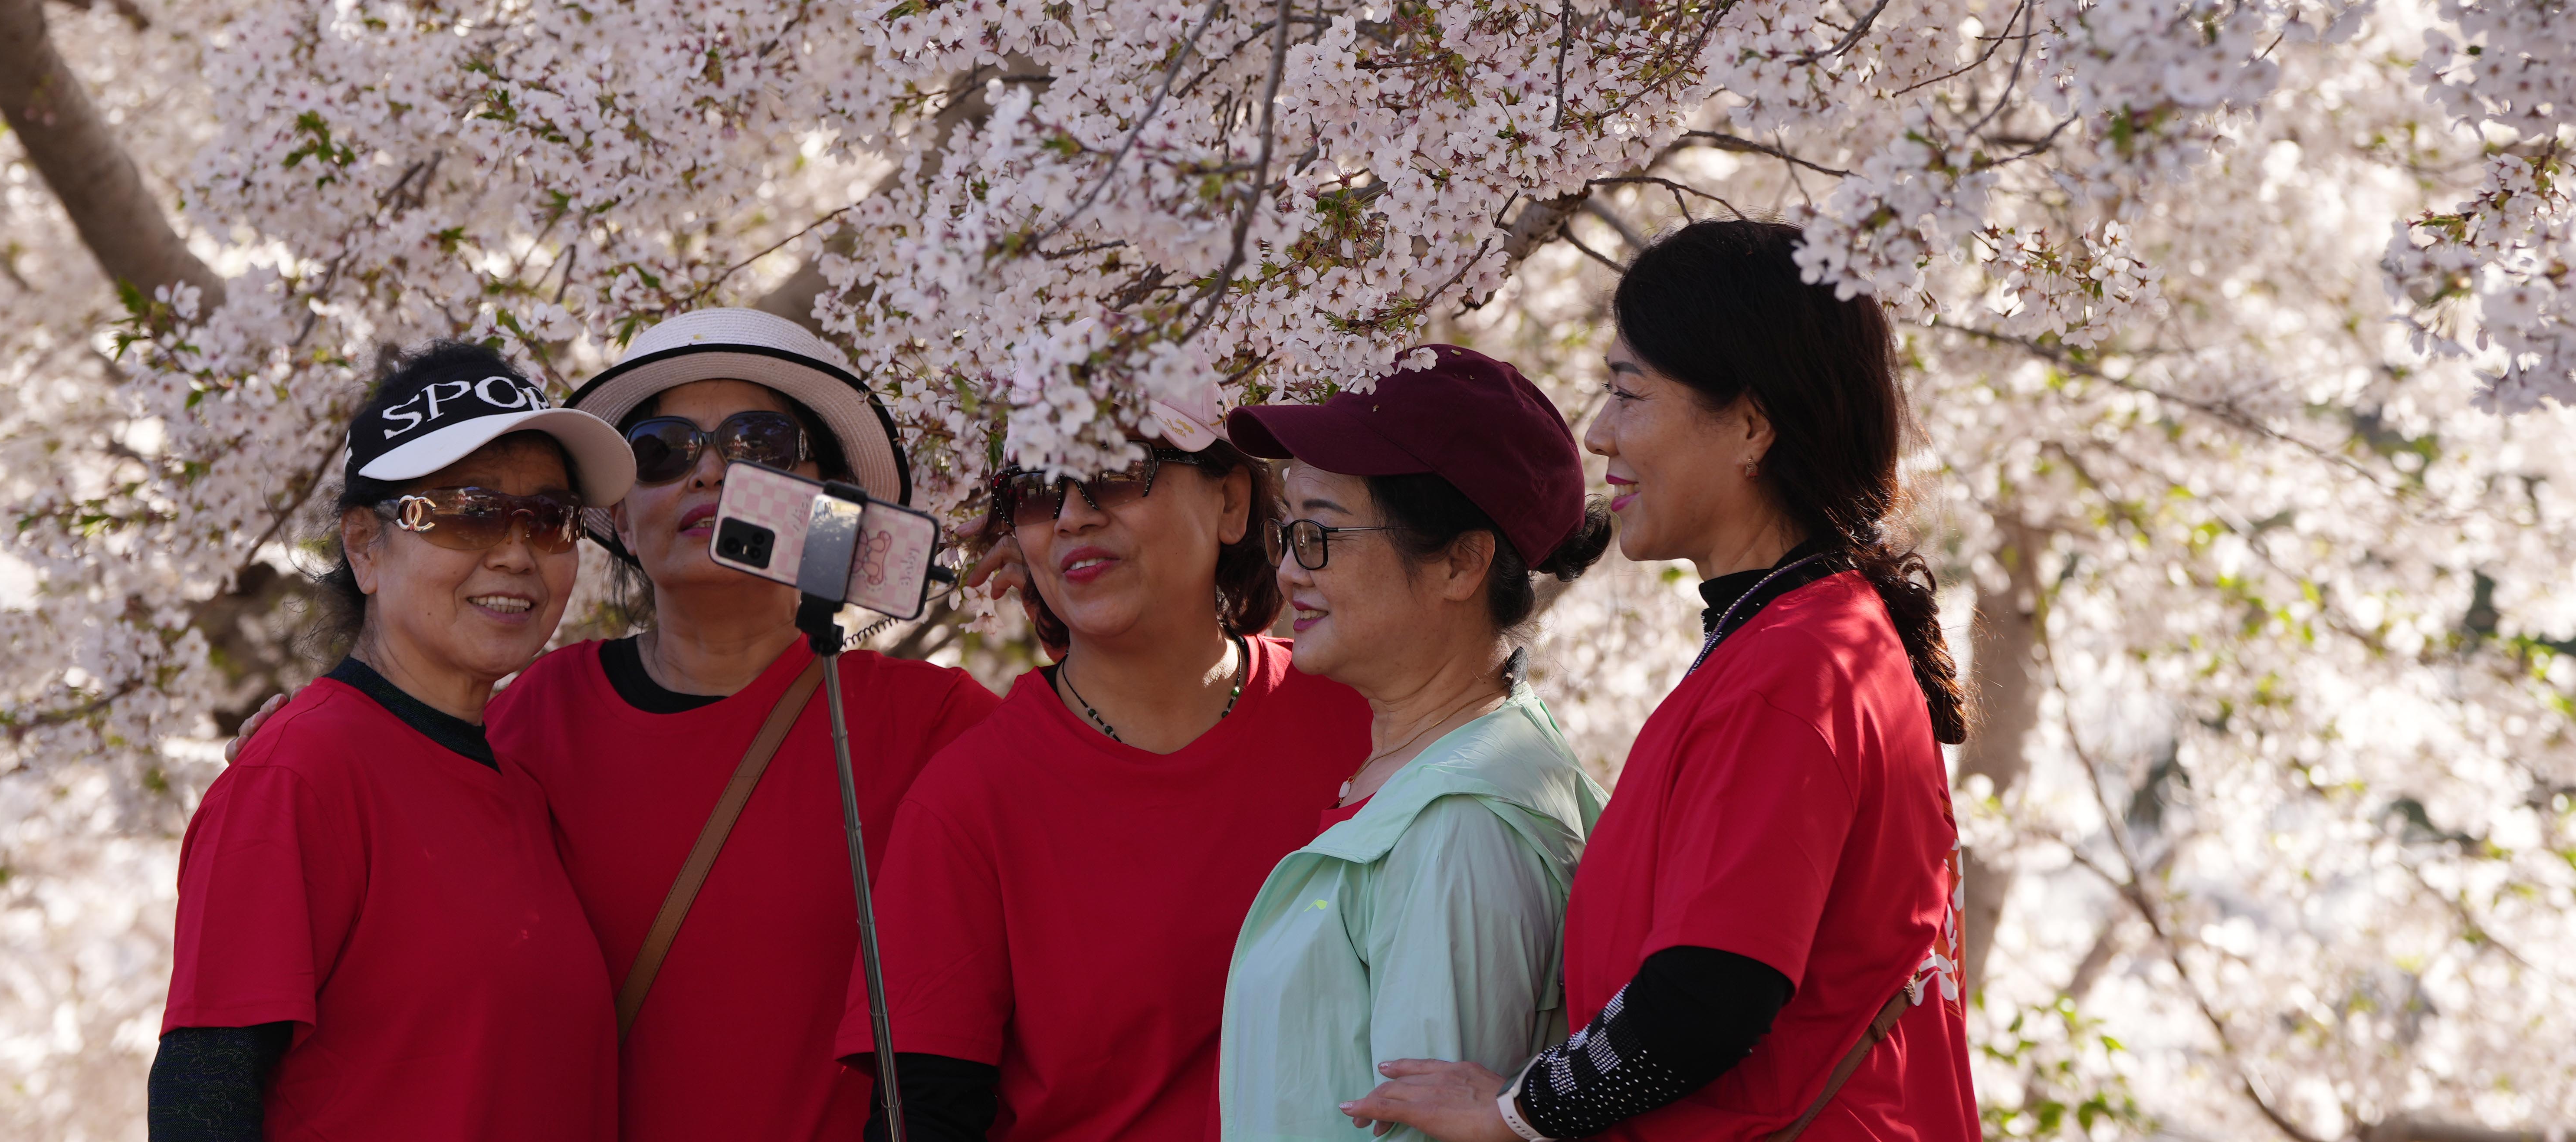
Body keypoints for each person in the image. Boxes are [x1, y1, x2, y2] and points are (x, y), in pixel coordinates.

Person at [1342, 221, 1982, 1142]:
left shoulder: (1794, 667)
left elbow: (1711, 993)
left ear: (1752, 426)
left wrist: (1514, 1112)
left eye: (1627, 393)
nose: (1599, 430)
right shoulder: (1808, 637)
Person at [491, 308, 1000, 1142]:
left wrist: (1060, 596)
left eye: (758, 443)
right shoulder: (530, 717)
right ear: (618, 516)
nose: (712, 472)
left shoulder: (938, 726)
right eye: (661, 451)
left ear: (829, 502)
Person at [846, 401, 1372, 1142]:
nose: (1071, 518)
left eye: (1115, 472)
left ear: (1229, 502)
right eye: (1035, 491)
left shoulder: (1367, 716)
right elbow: (926, 1116)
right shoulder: (968, 798)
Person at [155, 340, 638, 1142]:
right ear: (364, 546)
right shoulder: (298, 775)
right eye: (468, 511)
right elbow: (204, 1093)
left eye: (549, 520)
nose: (516, 552)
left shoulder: (525, 788)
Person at [1217, 347, 1613, 1142]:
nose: (1289, 569)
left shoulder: (1461, 828)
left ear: (1462, 562)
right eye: (1285, 531)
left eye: (1321, 533)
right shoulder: (1427, 776)